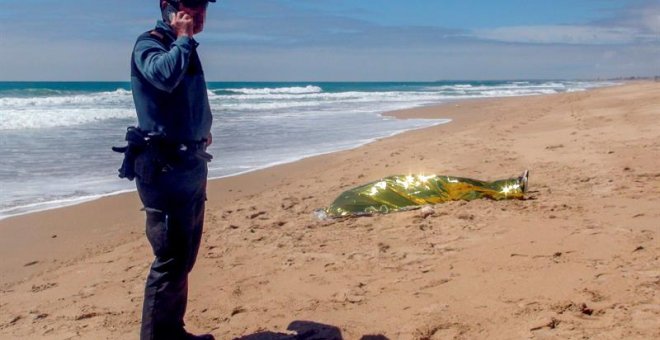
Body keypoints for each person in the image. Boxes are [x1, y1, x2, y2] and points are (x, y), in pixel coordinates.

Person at [128, 0, 216, 339]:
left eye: (203, 5)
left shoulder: (184, 46)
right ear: (168, 6)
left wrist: (199, 129)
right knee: (169, 260)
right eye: (191, 4)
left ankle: (172, 331)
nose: (199, 12)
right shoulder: (150, 42)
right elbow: (162, 77)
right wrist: (182, 38)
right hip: (163, 169)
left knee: (183, 259)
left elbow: (182, 98)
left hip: (191, 163)